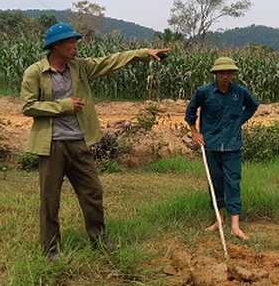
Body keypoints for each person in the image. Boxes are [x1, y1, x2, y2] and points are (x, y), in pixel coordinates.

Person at [21, 23, 170, 261]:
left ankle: (98, 239)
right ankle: (50, 249)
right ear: (56, 45)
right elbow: (27, 107)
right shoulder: (35, 73)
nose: (76, 46)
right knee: (50, 198)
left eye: (76, 41)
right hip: (51, 144)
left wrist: (142, 54)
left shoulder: (79, 68)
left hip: (79, 142)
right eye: (71, 42)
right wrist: (64, 106)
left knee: (92, 191)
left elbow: (110, 61)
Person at [184, 57, 260, 240]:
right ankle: (219, 220)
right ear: (216, 74)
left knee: (233, 182)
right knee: (215, 182)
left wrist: (239, 120)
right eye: (222, 73)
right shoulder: (204, 92)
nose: (225, 76)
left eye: (229, 73)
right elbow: (190, 112)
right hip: (211, 144)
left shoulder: (240, 93)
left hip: (233, 145)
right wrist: (195, 132)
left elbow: (253, 105)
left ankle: (235, 225)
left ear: (232, 74)